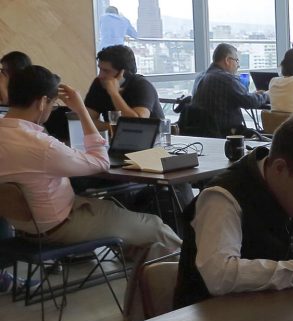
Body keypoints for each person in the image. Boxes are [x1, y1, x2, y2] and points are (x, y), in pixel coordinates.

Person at [174, 112, 293, 308]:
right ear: (279, 168)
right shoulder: (223, 197)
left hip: (272, 311)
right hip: (208, 319)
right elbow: (220, 275)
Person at [0, 66, 180, 258]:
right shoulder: (42, 146)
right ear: (43, 102)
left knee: (111, 207)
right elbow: (101, 162)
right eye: (53, 104)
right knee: (154, 225)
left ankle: (151, 262)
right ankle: (192, 271)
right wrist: (81, 111)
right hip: (59, 227)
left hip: (24, 226)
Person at [190, 43, 268, 137]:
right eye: (237, 60)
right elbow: (250, 102)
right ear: (227, 60)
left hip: (201, 133)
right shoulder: (226, 78)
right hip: (225, 134)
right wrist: (266, 95)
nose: (238, 65)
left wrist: (254, 95)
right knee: (262, 136)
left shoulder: (200, 77)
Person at [84, 44, 163, 130]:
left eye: (106, 71)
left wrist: (114, 94)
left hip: (152, 136)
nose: (100, 75)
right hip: (118, 138)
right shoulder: (99, 83)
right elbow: (87, 120)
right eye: (100, 69)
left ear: (123, 73)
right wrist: (113, 127)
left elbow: (138, 123)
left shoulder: (142, 85)